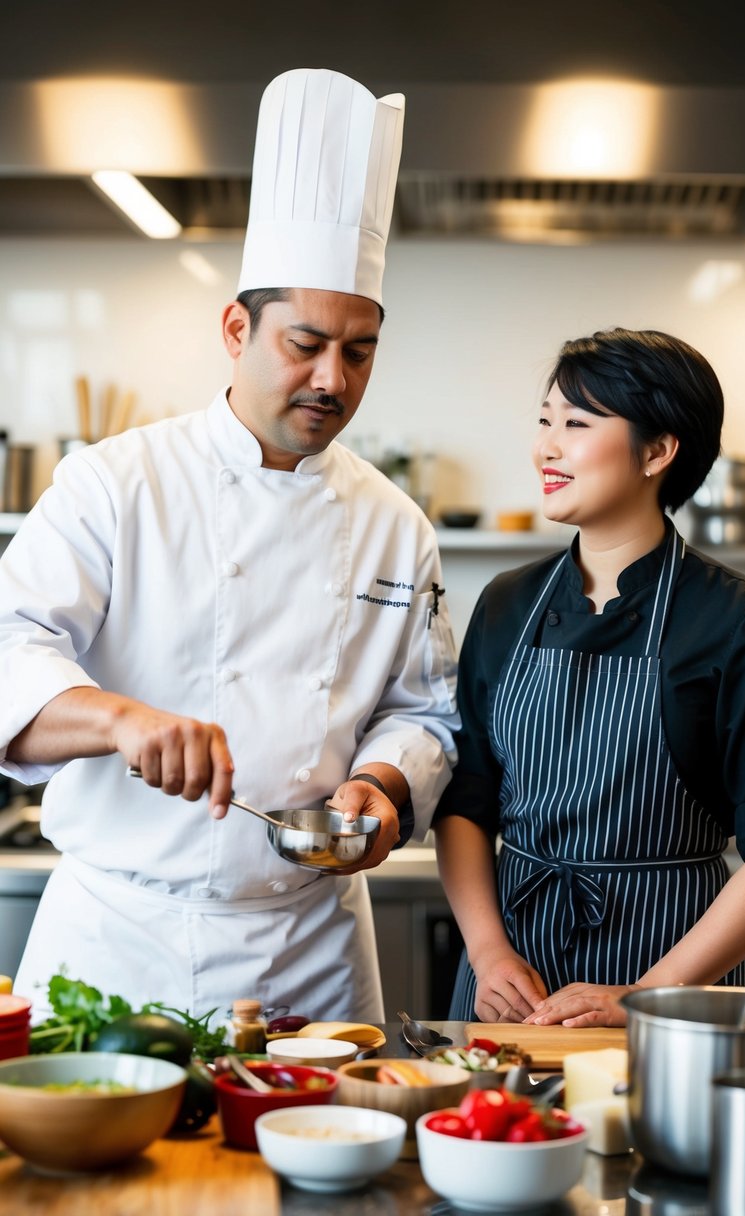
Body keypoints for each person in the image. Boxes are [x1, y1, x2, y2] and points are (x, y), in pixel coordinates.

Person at [0, 68, 458, 1023]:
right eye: (305, 343)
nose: (332, 379)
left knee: (324, 1170)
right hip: (118, 942)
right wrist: (121, 719)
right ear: (236, 328)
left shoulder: (393, 522)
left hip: (312, 947)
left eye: (360, 349)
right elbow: (9, 654)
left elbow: (425, 710)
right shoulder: (115, 482)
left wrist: (381, 781)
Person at [433, 326, 745, 1028]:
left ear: (657, 450)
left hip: (670, 989)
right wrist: (488, 952)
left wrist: (645, 995)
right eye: (545, 421)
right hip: (508, 989)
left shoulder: (743, 622)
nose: (546, 447)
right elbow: (466, 801)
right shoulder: (506, 603)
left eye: (577, 424)